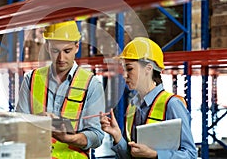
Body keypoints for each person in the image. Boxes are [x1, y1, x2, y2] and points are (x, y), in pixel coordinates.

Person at [16, 20, 105, 159]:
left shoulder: (91, 85)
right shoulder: (31, 79)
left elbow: (97, 136)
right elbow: (18, 126)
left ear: (77, 47)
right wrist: (37, 121)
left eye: (67, 51)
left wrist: (69, 139)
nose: (61, 58)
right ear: (47, 47)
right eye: (55, 51)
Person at [100, 37, 197, 158]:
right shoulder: (132, 107)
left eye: (129, 69)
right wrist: (118, 136)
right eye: (124, 69)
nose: (124, 75)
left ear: (148, 69)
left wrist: (155, 155)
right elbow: (130, 156)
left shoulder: (172, 104)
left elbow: (191, 155)